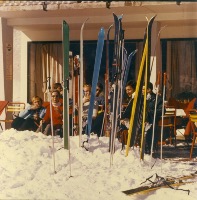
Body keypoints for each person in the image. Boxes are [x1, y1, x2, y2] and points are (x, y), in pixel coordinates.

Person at [144, 82, 163, 154]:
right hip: (141, 121)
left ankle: (151, 147)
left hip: (152, 120)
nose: (142, 91)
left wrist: (150, 111)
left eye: (144, 89)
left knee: (152, 129)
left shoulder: (157, 99)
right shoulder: (140, 98)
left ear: (149, 89)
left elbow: (162, 110)